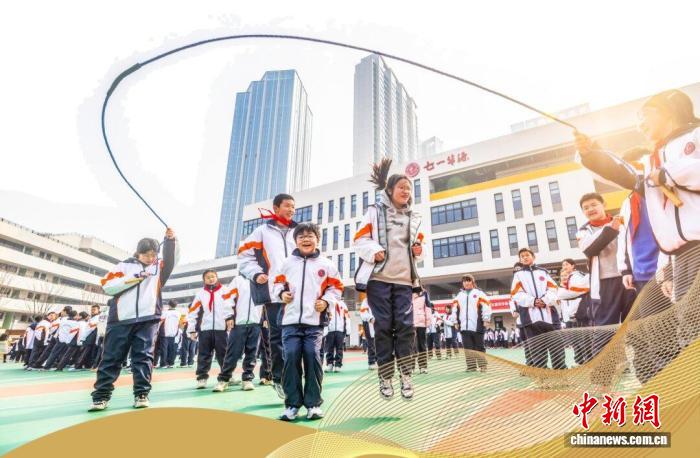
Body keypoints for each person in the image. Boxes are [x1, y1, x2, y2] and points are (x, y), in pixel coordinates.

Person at [575, 89, 700, 305]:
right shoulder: (651, 160)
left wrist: (667, 174)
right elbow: (624, 173)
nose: (640, 125)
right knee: (688, 321)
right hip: (681, 258)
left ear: (667, 110)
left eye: (644, 115)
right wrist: (591, 154)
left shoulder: (695, 136)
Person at [354, 158, 424, 401]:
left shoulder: (414, 217)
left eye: (409, 188)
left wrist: (418, 251)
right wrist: (374, 250)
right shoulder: (374, 212)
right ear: (390, 190)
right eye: (402, 187)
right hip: (379, 279)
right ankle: (385, 377)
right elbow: (360, 240)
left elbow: (418, 245)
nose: (406, 191)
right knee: (383, 326)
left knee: (406, 326)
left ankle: (406, 374)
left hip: (404, 280)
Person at [89, 228, 178, 411]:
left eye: (154, 254)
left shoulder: (159, 267)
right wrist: (135, 278)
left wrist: (170, 241)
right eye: (146, 255)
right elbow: (107, 286)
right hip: (121, 319)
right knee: (111, 358)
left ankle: (141, 394)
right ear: (138, 252)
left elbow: (172, 258)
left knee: (143, 357)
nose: (150, 258)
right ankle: (101, 396)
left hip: (148, 319)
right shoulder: (123, 266)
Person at [272, 222, 343, 421]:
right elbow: (276, 284)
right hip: (289, 321)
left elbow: (336, 288)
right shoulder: (286, 263)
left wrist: (326, 301)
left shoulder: (327, 264)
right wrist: (281, 293)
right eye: (301, 236)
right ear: (295, 241)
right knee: (291, 357)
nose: (306, 239)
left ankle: (313, 404)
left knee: (313, 357)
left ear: (317, 240)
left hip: (315, 323)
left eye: (310, 236)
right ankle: (292, 405)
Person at [238, 193, 298, 400]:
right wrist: (256, 273)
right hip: (274, 294)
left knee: (299, 337)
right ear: (276, 208)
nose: (291, 210)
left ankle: (297, 377)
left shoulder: (299, 231)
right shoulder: (262, 231)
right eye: (287, 206)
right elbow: (243, 257)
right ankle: (279, 379)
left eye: (293, 207)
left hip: (298, 294)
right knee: (278, 337)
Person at [576, 193, 631, 357]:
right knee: (605, 330)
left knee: (636, 325)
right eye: (586, 208)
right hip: (604, 283)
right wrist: (611, 228)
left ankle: (644, 368)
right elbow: (590, 249)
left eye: (594, 205)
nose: (590, 209)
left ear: (604, 204)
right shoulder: (583, 231)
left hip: (629, 278)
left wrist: (616, 225)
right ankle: (602, 373)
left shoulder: (623, 221)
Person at [510, 248, 566, 370]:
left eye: (527, 255)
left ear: (533, 257)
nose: (525, 257)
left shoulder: (543, 272)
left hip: (550, 317)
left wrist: (545, 300)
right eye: (522, 256)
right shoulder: (518, 275)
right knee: (537, 350)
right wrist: (533, 301)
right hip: (530, 319)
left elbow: (553, 289)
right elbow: (516, 294)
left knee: (557, 347)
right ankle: (542, 375)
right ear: (520, 259)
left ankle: (561, 372)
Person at [214, 275, 262, 392]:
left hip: (256, 322)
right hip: (239, 323)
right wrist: (229, 316)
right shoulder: (238, 280)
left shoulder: (262, 280)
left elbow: (266, 301)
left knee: (252, 353)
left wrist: (264, 318)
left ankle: (247, 379)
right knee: (233, 353)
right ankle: (224, 379)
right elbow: (228, 298)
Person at [187, 269, 234, 389]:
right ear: (204, 280)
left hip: (221, 328)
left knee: (224, 354)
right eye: (208, 277)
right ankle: (202, 378)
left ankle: (227, 376)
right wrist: (192, 329)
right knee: (204, 354)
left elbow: (230, 306)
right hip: (205, 328)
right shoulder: (200, 294)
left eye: (213, 276)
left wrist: (230, 319)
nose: (211, 279)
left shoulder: (225, 290)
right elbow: (193, 311)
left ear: (217, 277)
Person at [452, 275, 492, 372]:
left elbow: (486, 306)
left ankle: (483, 365)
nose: (466, 283)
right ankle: (471, 366)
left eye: (468, 280)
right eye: (464, 281)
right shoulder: (459, 295)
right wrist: (455, 322)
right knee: (468, 348)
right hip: (464, 326)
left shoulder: (479, 293)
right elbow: (454, 310)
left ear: (472, 282)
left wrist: (486, 319)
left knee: (479, 346)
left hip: (477, 325)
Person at [557, 259, 592, 365]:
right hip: (569, 317)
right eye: (563, 265)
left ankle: (588, 361)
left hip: (578, 314)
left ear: (573, 266)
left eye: (567, 264)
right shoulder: (564, 285)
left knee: (584, 340)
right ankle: (579, 361)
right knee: (575, 341)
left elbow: (578, 291)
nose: (564, 266)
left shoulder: (577, 276)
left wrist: (563, 294)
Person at [324, 299, 349, 373]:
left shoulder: (343, 304)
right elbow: (325, 315)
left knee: (339, 348)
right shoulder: (328, 302)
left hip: (340, 329)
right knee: (329, 348)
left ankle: (338, 365)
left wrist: (348, 329)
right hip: (330, 329)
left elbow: (347, 317)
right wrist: (325, 328)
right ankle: (329, 364)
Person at [411, 289, 431, 374]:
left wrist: (428, 321)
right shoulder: (406, 291)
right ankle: (410, 367)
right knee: (411, 346)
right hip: (410, 323)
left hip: (421, 323)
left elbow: (428, 308)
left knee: (422, 346)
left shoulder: (424, 293)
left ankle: (423, 366)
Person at [359, 294, 378, 370]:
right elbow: (363, 313)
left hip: (380, 323)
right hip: (369, 323)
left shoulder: (381, 298)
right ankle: (371, 362)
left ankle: (378, 361)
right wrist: (370, 318)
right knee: (371, 343)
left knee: (380, 343)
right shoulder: (366, 300)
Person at [160, 301, 181, 368]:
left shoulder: (165, 312)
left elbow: (160, 321)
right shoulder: (178, 313)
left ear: (169, 305)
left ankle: (163, 364)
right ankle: (170, 363)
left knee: (164, 349)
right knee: (171, 348)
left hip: (165, 332)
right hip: (174, 332)